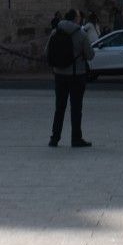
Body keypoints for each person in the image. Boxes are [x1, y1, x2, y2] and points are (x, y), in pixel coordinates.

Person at [47, 8, 91, 147]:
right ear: (75, 19)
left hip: (59, 75)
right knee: (76, 108)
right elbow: (90, 55)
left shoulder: (55, 31)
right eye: (79, 16)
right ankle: (76, 138)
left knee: (59, 108)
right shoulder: (81, 34)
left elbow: (46, 51)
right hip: (76, 75)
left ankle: (54, 138)